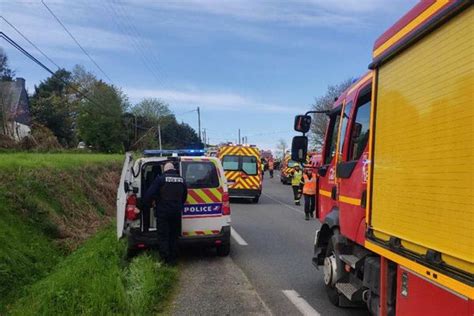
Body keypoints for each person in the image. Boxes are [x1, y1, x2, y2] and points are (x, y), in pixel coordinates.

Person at [142, 162, 187, 265]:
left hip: (163, 213)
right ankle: (174, 259)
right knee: (174, 236)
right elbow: (184, 196)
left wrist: (144, 205)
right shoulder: (181, 180)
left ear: (165, 170)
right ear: (174, 169)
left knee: (163, 236)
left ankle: (165, 259)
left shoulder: (160, 179)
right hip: (176, 213)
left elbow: (149, 194)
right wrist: (178, 205)